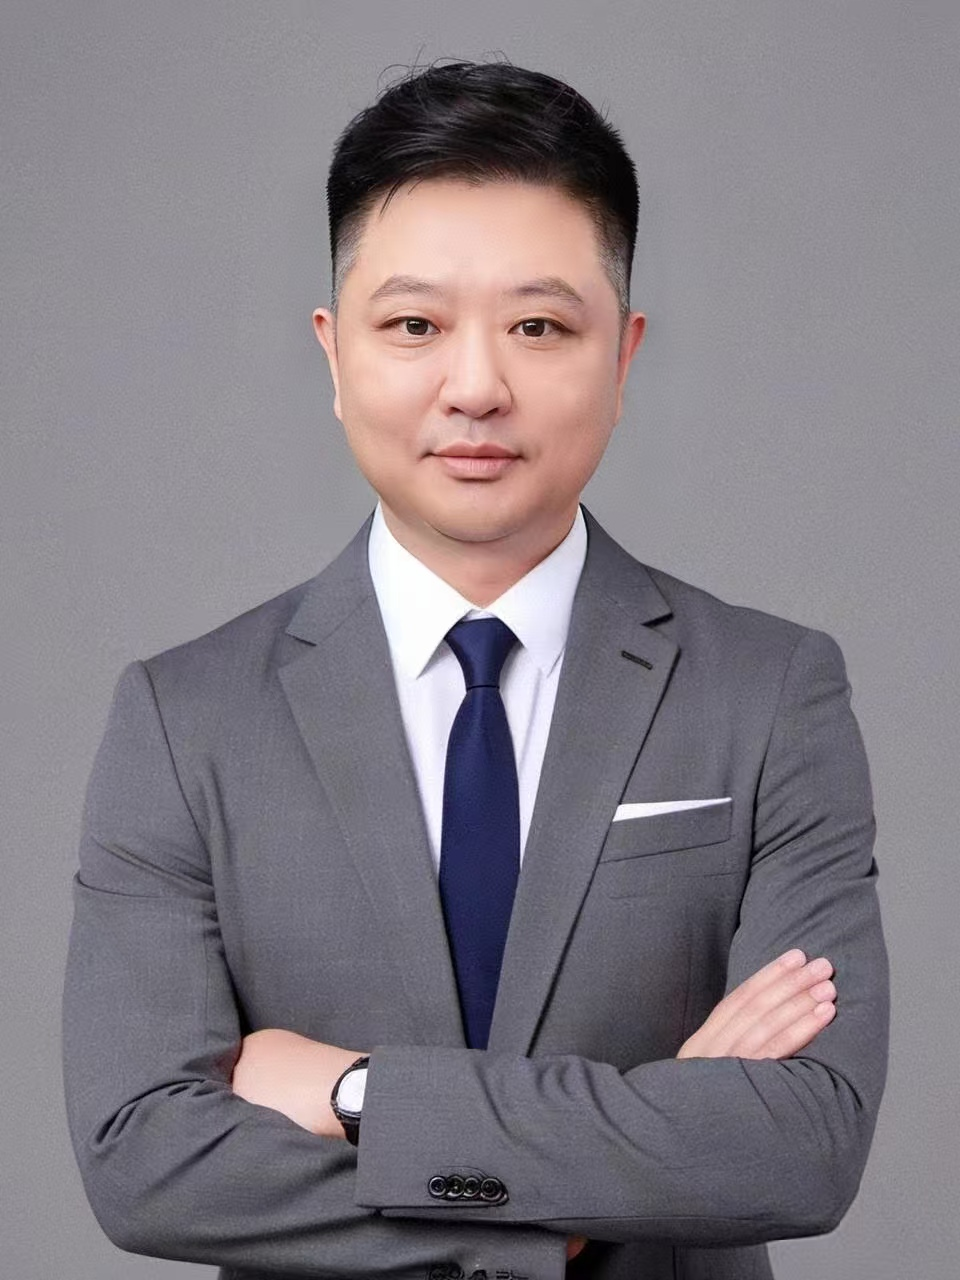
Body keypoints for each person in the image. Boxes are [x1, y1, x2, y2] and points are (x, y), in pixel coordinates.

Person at [62, 60, 889, 1280]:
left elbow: (803, 1142)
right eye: (415, 325)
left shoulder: (769, 692)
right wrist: (582, 1195)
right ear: (334, 354)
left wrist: (357, 1090)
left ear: (624, 355)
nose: (477, 386)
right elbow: (145, 1159)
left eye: (539, 326)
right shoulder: (185, 719)